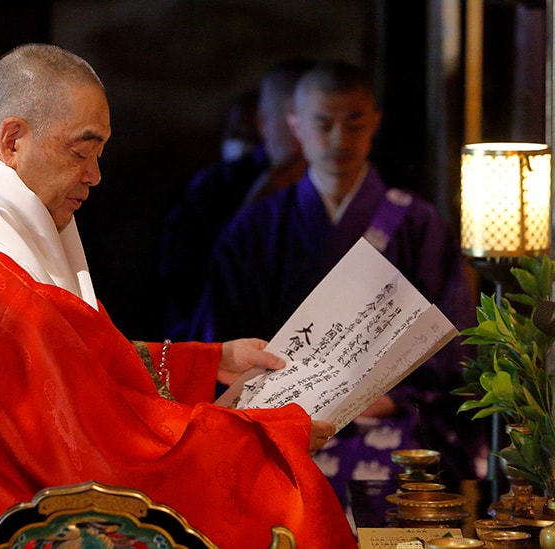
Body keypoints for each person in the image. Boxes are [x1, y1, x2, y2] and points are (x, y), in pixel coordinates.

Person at [0, 43, 357, 549]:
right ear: (13, 140)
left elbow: (75, 376)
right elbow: (100, 452)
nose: (95, 175)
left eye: (99, 154)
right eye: (81, 151)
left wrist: (208, 363)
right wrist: (265, 435)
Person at [186, 60, 482, 515]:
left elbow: (451, 335)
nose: (340, 139)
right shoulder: (256, 228)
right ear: (295, 125)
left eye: (354, 122)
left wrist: (393, 399)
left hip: (390, 417)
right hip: (281, 420)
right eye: (323, 123)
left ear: (375, 122)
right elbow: (223, 335)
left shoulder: (417, 224)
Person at [160, 57, 313, 340]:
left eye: (323, 121)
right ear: (263, 122)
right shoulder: (214, 188)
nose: (314, 135)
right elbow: (182, 282)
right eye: (296, 121)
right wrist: (251, 213)